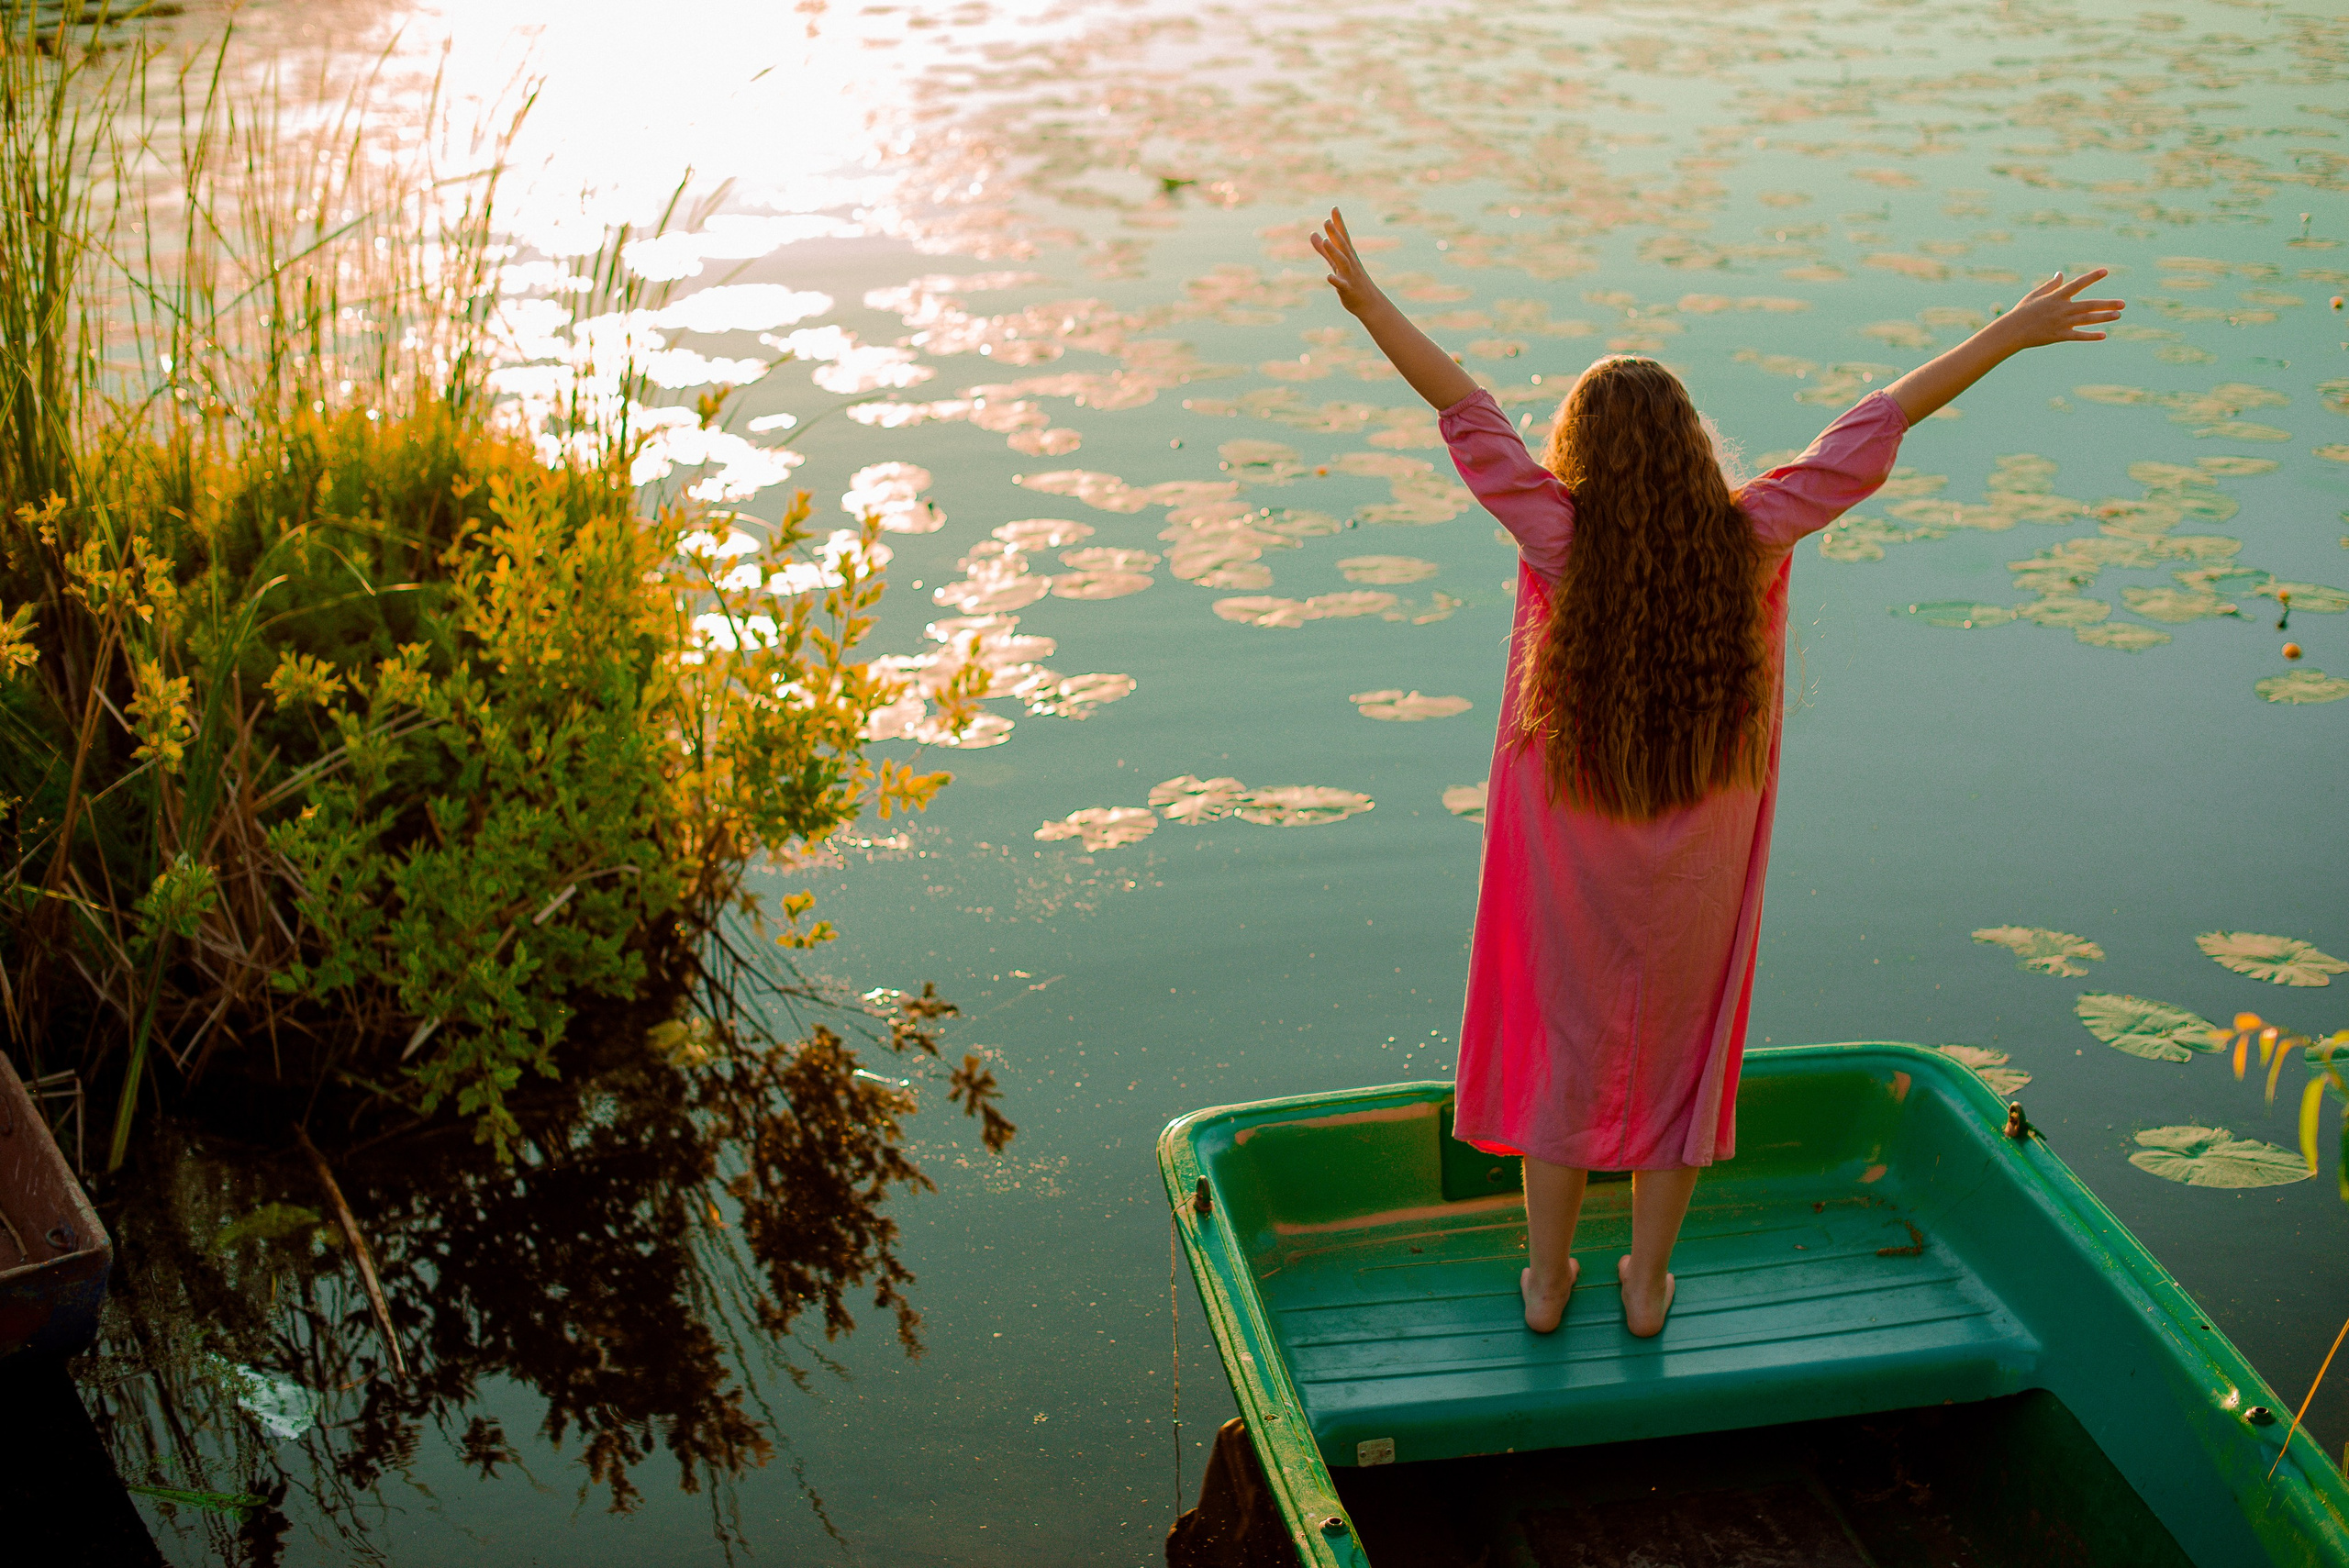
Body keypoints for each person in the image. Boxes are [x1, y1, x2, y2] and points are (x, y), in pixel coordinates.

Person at [1309, 207, 2121, 1338]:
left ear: (1582, 450)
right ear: (1691, 444)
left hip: (1571, 835)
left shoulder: (1557, 535)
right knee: (1678, 1054)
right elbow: (1874, 425)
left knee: (1563, 1043)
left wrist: (1369, 305)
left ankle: (1546, 1283)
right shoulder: (1750, 536)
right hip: (1700, 847)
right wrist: (2007, 332)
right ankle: (1646, 1282)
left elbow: (1467, 410)